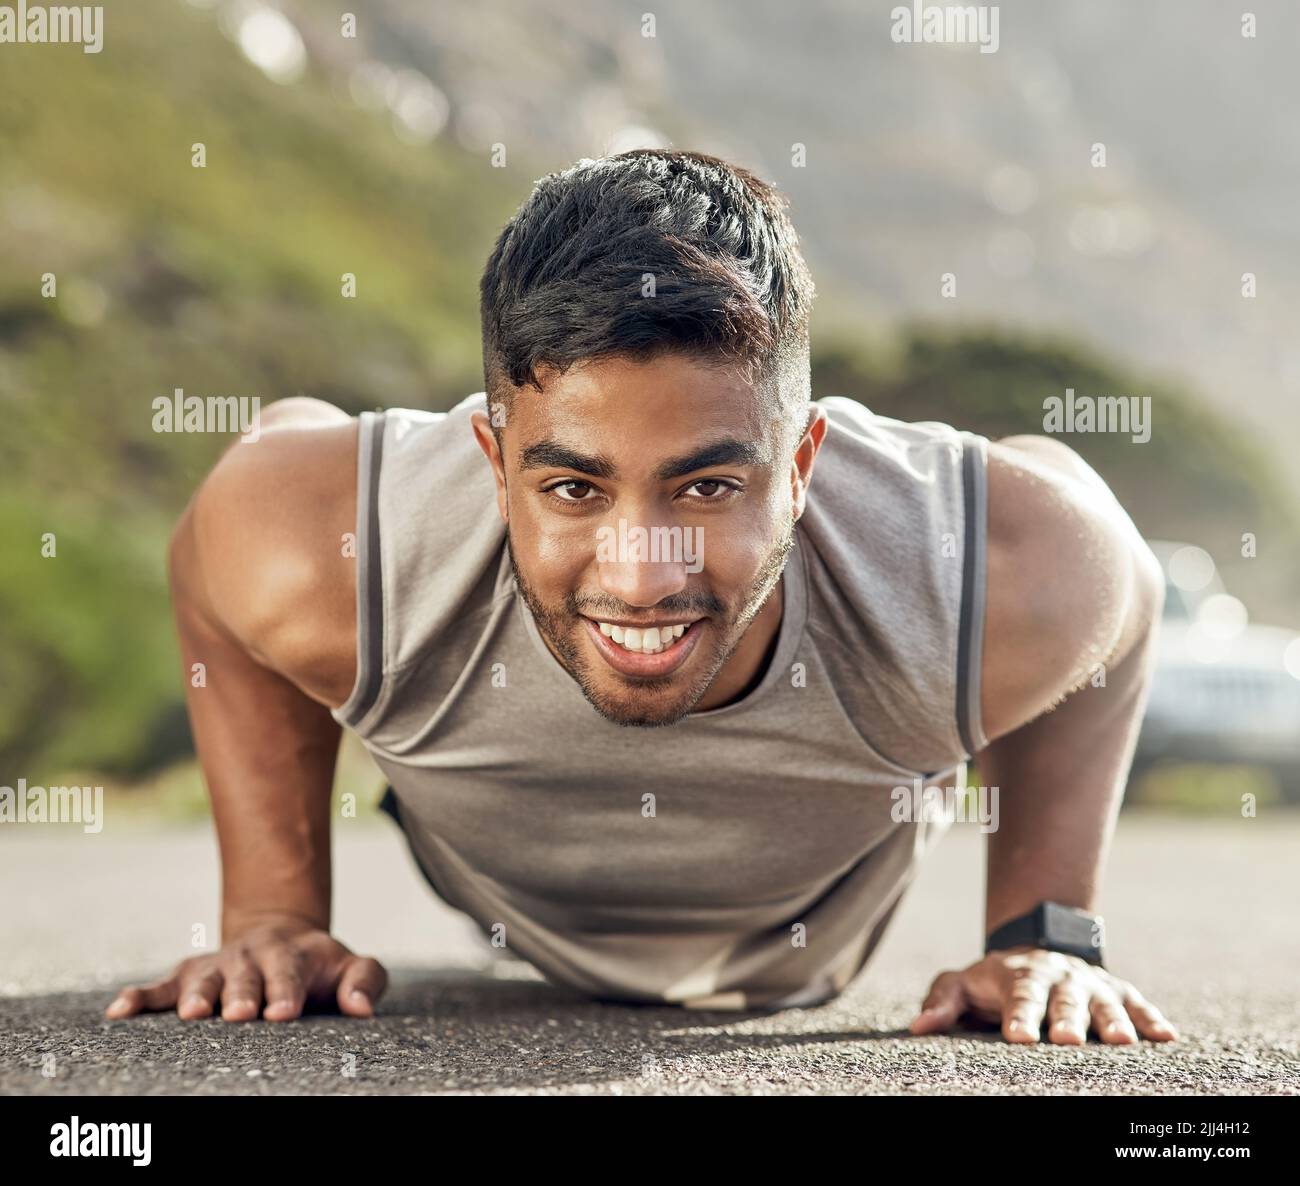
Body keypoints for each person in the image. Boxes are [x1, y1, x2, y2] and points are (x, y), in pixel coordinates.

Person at [106, 150, 1177, 1046]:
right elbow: (214, 563)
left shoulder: (988, 559)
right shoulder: (328, 540)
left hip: (812, 932)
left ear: (803, 461)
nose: (642, 573)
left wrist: (1041, 932)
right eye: (574, 486)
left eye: (707, 485)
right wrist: (272, 912)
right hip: (497, 902)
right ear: (491, 458)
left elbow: (1121, 599)